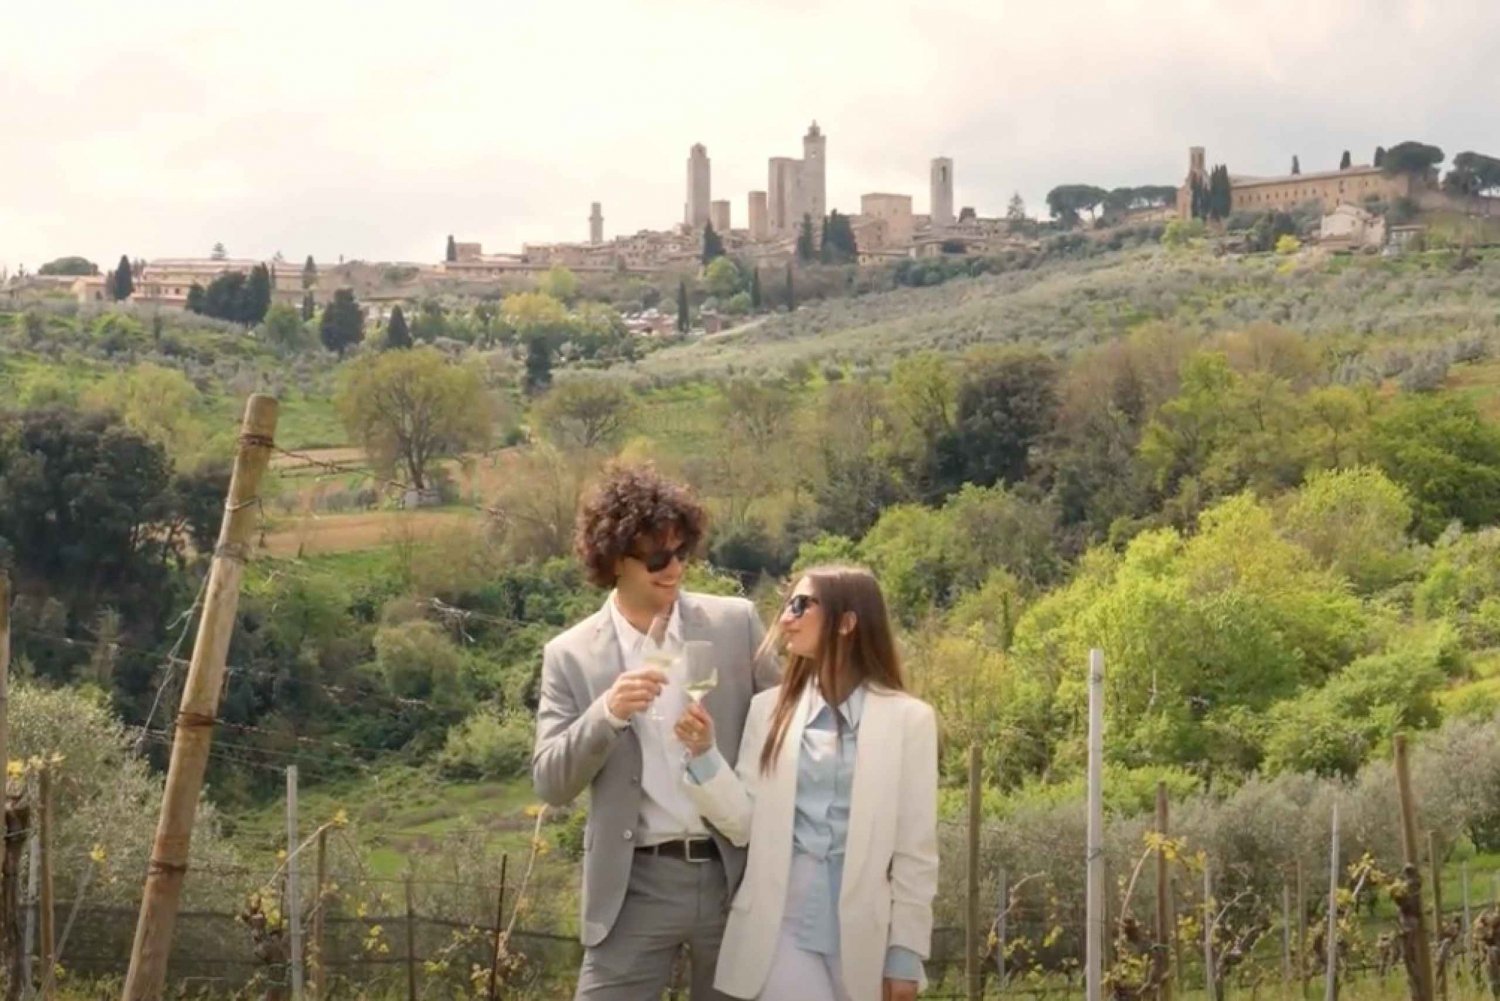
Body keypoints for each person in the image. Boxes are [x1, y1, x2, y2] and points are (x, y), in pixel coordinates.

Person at [531, 463, 779, 1000]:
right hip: (633, 886)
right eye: (657, 558)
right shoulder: (569, 655)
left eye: (682, 553)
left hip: (734, 878)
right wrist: (606, 714)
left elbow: (789, 736)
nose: (674, 570)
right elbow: (550, 783)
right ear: (614, 558)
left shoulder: (735, 624)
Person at [674, 565, 938, 1001]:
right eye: (785, 605)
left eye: (801, 605)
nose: (785, 619)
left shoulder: (910, 721)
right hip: (780, 927)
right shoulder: (767, 711)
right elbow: (743, 824)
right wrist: (704, 755)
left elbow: (915, 852)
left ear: (848, 622)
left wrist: (905, 955)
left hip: (865, 936)